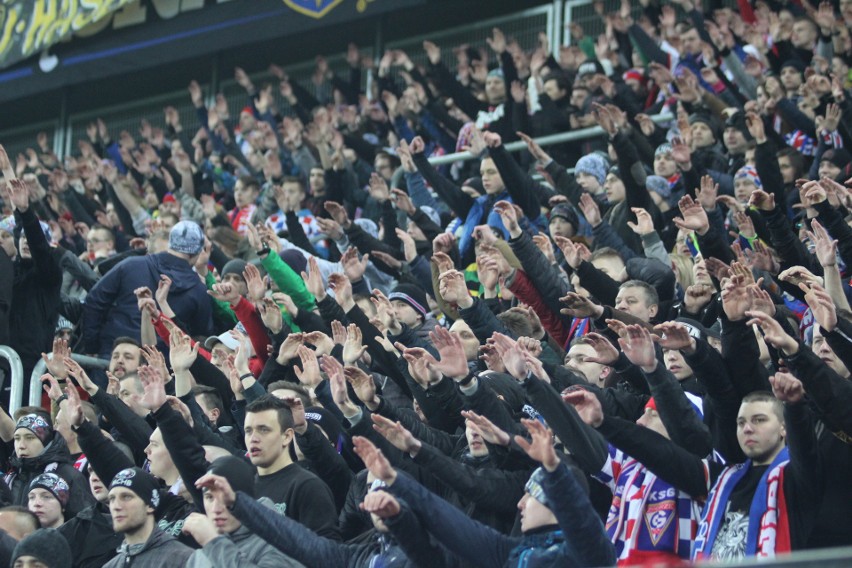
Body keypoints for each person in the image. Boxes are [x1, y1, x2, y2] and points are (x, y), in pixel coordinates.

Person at [82, 220, 212, 365]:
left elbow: (94, 301)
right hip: (160, 367)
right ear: (198, 252)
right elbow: (200, 335)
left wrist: (92, 347)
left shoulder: (132, 264)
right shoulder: (199, 290)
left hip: (114, 356)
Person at [103, 467, 193, 568]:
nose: (116, 506)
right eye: (112, 499)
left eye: (126, 497)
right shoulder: (111, 566)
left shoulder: (181, 559)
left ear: (150, 504)